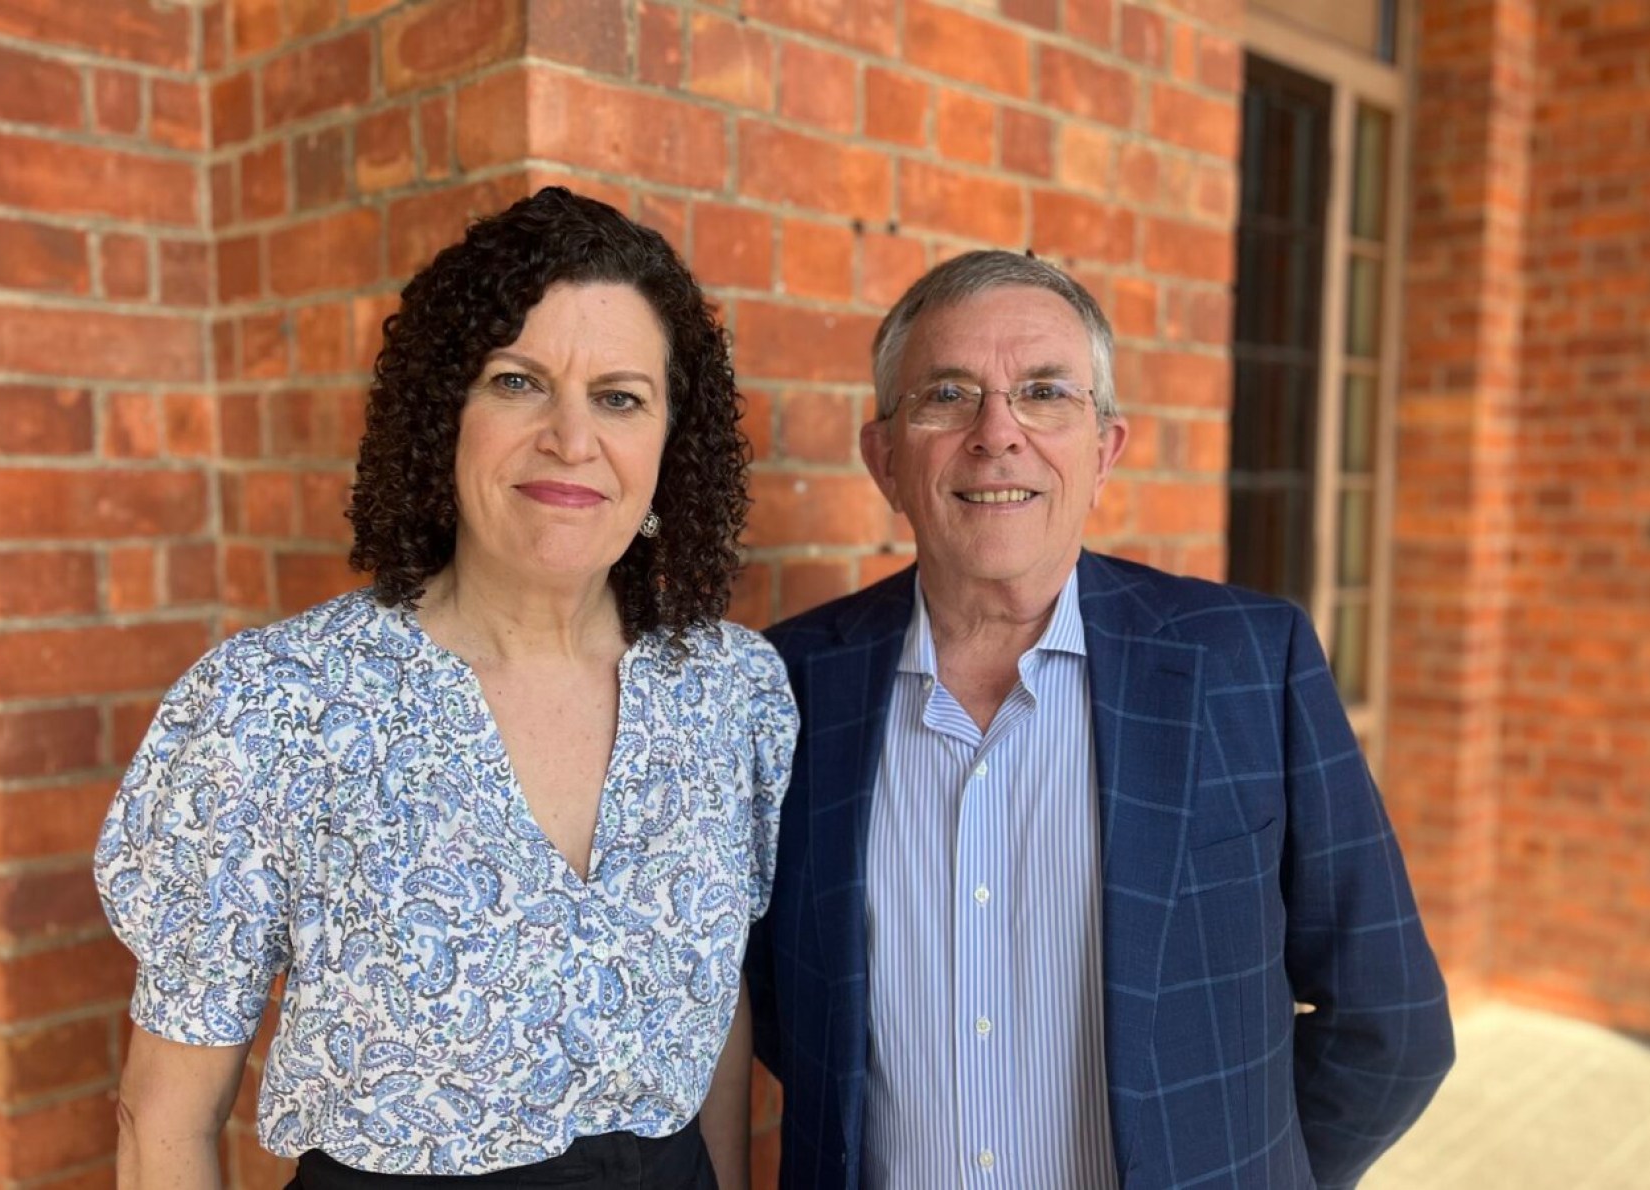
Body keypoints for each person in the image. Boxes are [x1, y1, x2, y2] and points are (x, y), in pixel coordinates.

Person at [96, 187, 797, 1189]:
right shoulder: (278, 703)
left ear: (667, 448)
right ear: (444, 419)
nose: (570, 436)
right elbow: (164, 1118)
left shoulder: (731, 691)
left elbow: (717, 1015)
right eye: (518, 381)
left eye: (620, 396)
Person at [745, 250, 1454, 1189]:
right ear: (883, 458)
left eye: (1044, 393)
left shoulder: (1245, 662)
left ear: (1104, 448)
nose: (997, 434)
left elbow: (1389, 1020)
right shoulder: (787, 685)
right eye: (946, 395)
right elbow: (795, 1022)